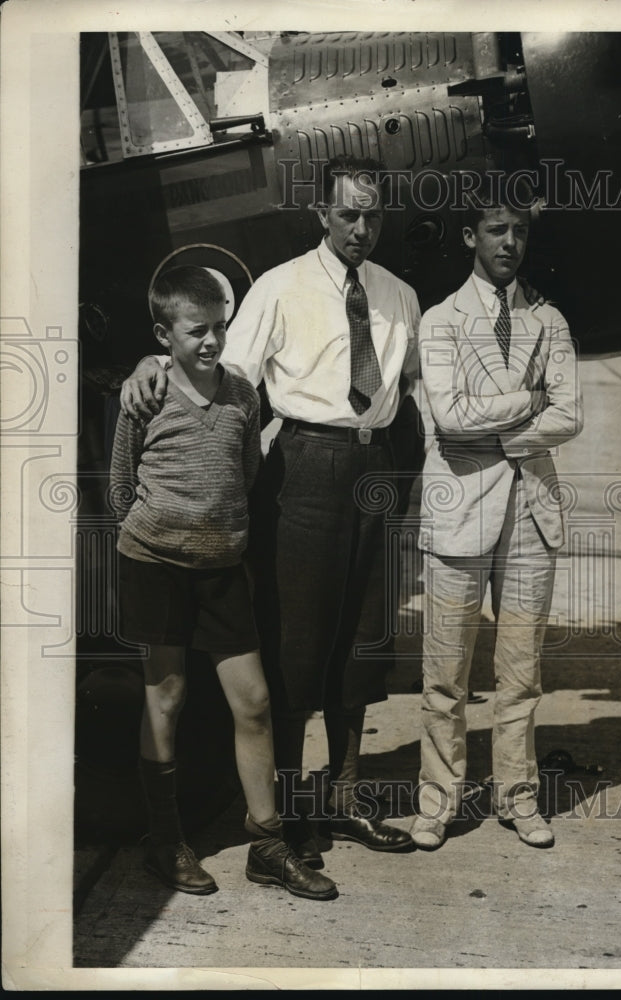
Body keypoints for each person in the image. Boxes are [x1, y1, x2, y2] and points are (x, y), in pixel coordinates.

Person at [119, 156, 419, 871]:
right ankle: (286, 813)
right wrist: (145, 363)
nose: (361, 228)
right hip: (306, 468)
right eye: (348, 214)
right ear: (322, 214)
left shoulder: (400, 295)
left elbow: (409, 389)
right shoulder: (280, 288)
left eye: (373, 215)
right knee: (295, 645)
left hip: (376, 470)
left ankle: (344, 796)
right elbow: (219, 376)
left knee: (363, 637)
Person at [110, 265, 338, 901]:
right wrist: (161, 532)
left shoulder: (242, 394)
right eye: (196, 331)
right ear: (165, 335)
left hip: (222, 572)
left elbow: (246, 473)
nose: (211, 341)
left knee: (254, 701)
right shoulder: (146, 396)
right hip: (155, 567)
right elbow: (121, 486)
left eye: (219, 328)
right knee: (167, 697)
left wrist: (219, 537)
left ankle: (267, 844)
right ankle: (165, 841)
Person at [411, 173, 583, 851]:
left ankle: (518, 797)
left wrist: (505, 433)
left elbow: (570, 415)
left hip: (532, 514)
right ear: (470, 236)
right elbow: (449, 417)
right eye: (496, 229)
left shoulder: (550, 320)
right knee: (444, 678)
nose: (510, 242)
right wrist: (529, 402)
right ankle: (438, 802)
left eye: (519, 231)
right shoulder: (440, 320)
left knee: (520, 675)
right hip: (458, 514)